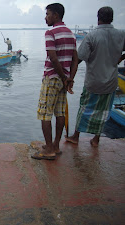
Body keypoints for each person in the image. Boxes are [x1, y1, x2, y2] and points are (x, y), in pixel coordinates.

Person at [65, 7, 125, 147]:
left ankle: (75, 136)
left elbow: (78, 59)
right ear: (112, 18)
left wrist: (69, 78)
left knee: (84, 108)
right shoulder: (121, 34)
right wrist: (120, 58)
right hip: (111, 81)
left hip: (93, 81)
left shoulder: (92, 36)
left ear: (98, 18)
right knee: (104, 111)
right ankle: (96, 139)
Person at [32, 3, 78, 160]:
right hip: (63, 80)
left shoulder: (50, 32)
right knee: (59, 112)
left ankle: (49, 149)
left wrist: (64, 78)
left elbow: (53, 57)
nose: (46, 17)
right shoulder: (71, 34)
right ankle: (56, 145)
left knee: (45, 113)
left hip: (52, 77)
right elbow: (75, 59)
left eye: (48, 14)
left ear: (56, 15)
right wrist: (69, 78)